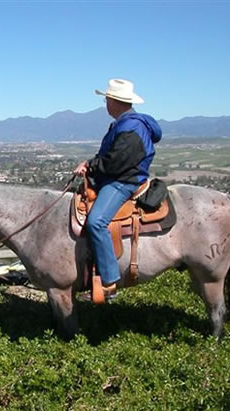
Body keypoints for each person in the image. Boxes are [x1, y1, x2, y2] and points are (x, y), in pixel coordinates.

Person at [73, 78, 162, 295]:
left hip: (124, 182)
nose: (105, 103)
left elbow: (116, 162)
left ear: (114, 101)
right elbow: (109, 156)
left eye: (106, 99)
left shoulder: (131, 127)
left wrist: (92, 166)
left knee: (96, 222)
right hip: (118, 176)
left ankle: (109, 281)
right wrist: (91, 164)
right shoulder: (124, 123)